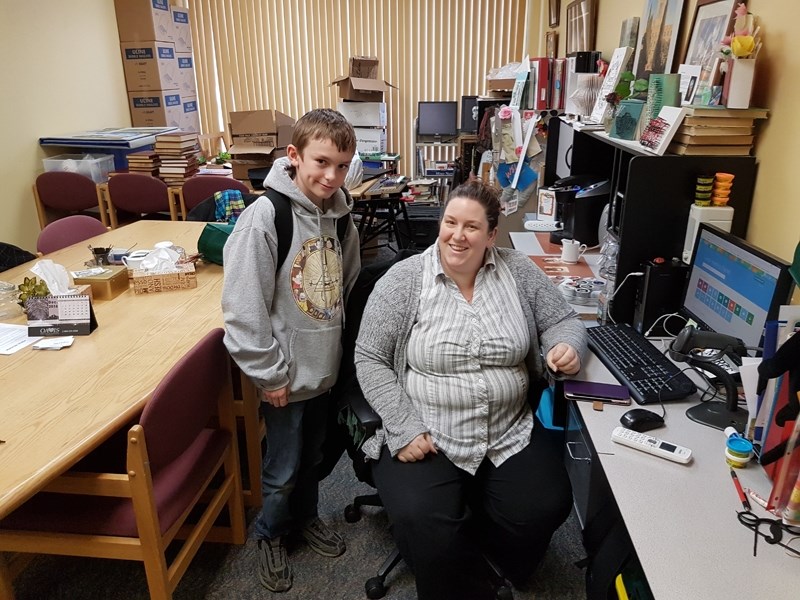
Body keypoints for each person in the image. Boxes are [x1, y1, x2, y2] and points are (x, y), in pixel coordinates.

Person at [354, 180, 587, 600]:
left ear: (491, 235)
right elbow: (368, 357)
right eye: (450, 222)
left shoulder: (518, 271)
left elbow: (562, 319)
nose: (458, 235)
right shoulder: (404, 280)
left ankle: (495, 561)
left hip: (507, 429)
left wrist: (565, 345)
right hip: (428, 431)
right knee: (422, 519)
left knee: (546, 505)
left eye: (472, 227)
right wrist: (403, 426)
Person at [222, 108, 361, 593]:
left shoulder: (342, 220)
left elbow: (345, 282)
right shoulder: (266, 218)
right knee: (281, 467)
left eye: (343, 165)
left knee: (312, 457)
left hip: (322, 368)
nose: (332, 176)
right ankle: (271, 532)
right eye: (322, 162)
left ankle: (305, 519)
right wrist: (270, 375)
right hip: (282, 376)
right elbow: (243, 310)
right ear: (294, 156)